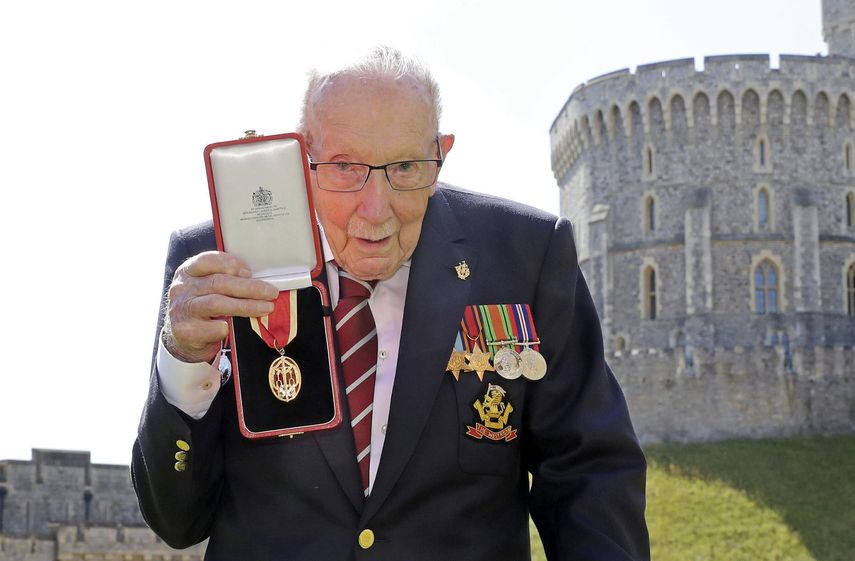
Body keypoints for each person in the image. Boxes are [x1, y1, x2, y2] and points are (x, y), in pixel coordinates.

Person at [132, 47, 650, 561]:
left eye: (405, 167)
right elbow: (178, 522)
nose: (375, 208)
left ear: (441, 152)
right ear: (299, 157)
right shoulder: (218, 265)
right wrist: (182, 363)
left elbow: (589, 474)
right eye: (343, 166)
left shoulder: (527, 257)